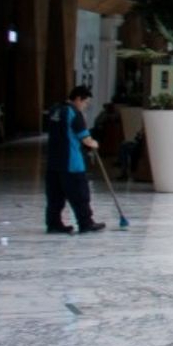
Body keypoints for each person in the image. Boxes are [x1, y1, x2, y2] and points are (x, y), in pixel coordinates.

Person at [43, 85, 106, 235]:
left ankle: (54, 224)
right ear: (78, 99)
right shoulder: (74, 113)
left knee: (55, 197)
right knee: (80, 195)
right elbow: (85, 139)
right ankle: (85, 223)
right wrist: (95, 143)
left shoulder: (55, 110)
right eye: (85, 103)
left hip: (53, 162)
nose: (85, 107)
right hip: (72, 163)